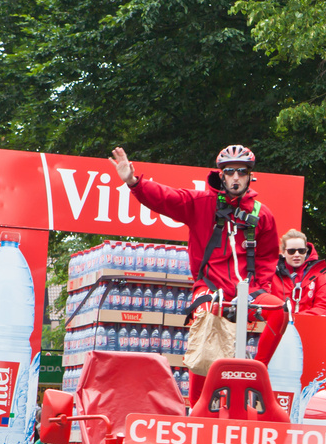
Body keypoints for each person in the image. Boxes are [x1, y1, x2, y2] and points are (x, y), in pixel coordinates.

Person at [113, 144, 289, 369]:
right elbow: (166, 197)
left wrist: (259, 288)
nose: (236, 177)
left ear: (250, 176)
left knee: (280, 311)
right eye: (230, 171)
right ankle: (198, 403)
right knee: (207, 317)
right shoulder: (201, 203)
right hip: (210, 286)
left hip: (248, 290)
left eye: (242, 171)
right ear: (221, 175)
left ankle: (257, 371)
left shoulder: (262, 214)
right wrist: (133, 182)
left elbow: (267, 258)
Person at [270, 229, 326, 316]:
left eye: (301, 251)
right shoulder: (271, 275)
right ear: (283, 252)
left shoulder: (319, 276)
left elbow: (325, 306)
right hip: (276, 325)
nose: (297, 254)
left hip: (309, 327)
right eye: (291, 251)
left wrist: (299, 319)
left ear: (306, 251)